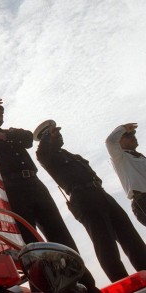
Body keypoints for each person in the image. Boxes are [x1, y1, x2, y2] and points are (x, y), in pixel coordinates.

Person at [0, 97, 99, 293]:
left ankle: (87, 286)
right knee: (32, 246)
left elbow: (29, 138)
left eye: (1, 110)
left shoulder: (11, 133)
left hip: (35, 184)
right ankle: (42, 289)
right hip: (12, 188)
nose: (1, 113)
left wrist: (2, 136)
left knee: (61, 235)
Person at [35, 120, 146, 283]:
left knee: (131, 238)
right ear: (46, 137)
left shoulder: (73, 156)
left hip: (101, 194)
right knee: (105, 245)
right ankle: (123, 283)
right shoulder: (47, 156)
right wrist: (46, 137)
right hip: (83, 199)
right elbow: (42, 151)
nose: (59, 135)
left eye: (58, 132)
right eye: (54, 133)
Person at [106, 123, 146, 227]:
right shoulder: (120, 157)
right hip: (143, 199)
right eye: (128, 136)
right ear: (118, 142)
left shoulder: (141, 158)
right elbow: (110, 141)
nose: (133, 138)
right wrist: (123, 128)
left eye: (133, 135)